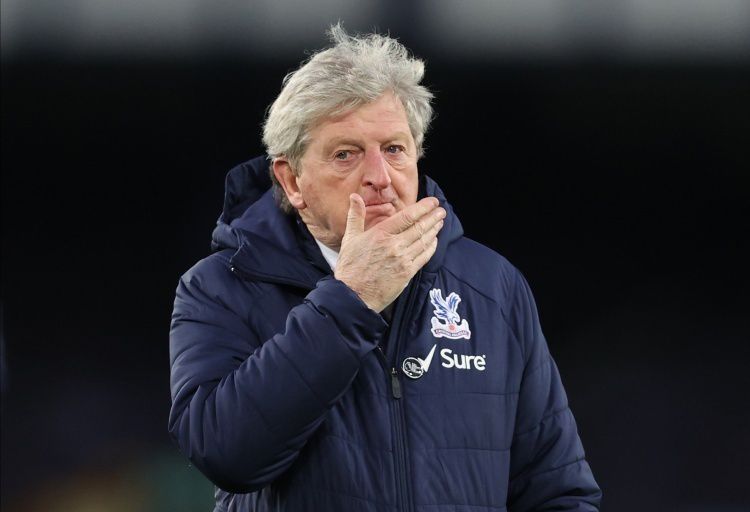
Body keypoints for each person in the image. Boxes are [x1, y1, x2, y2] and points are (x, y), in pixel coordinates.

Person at [169, 24, 602, 512]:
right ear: (291, 180)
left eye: (394, 149)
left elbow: (557, 490)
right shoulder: (219, 287)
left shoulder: (492, 286)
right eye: (346, 154)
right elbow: (227, 453)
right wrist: (349, 299)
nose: (379, 177)